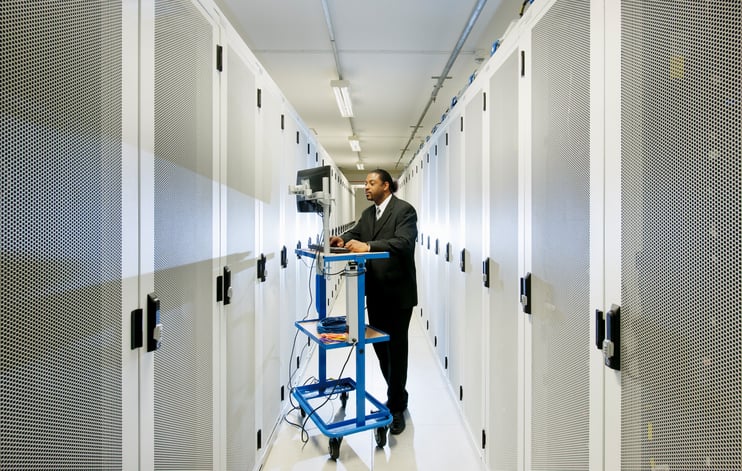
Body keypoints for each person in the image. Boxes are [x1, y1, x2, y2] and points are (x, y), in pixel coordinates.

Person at [329, 168, 418, 435]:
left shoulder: (404, 211)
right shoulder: (369, 214)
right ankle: (397, 395)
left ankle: (396, 407)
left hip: (399, 294)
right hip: (375, 293)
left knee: (397, 351)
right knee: (380, 349)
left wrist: (368, 247)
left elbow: (404, 243)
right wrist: (341, 239)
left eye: (371, 183)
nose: (366, 187)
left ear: (386, 186)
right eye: (366, 183)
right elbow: (356, 231)